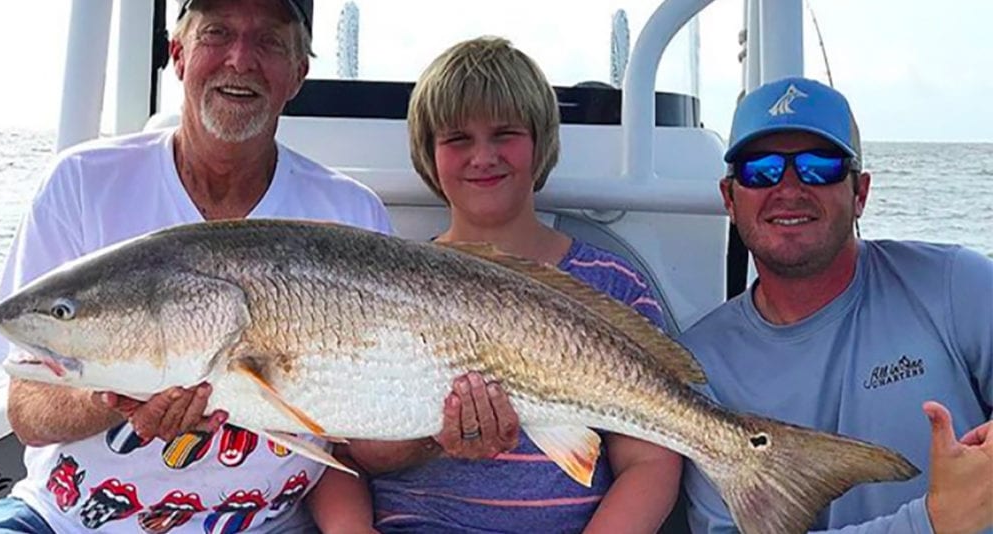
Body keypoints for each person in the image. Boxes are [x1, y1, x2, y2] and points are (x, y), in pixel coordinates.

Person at [0, 0, 389, 532]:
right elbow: (27, 411)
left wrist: (443, 432)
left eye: (269, 41)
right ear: (178, 54)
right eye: (216, 33)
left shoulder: (350, 214)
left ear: (298, 73)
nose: (240, 60)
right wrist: (119, 397)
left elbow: (371, 438)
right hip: (64, 520)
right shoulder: (81, 183)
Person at [345, 36, 683, 533]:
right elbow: (360, 454)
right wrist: (432, 436)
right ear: (428, 154)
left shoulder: (615, 285)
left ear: (541, 142)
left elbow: (649, 462)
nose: (483, 157)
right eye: (457, 139)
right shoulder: (386, 284)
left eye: (504, 134)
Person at [681, 76, 993, 533]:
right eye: (760, 169)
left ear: (860, 193)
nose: (789, 187)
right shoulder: (696, 366)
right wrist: (933, 522)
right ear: (730, 197)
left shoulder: (956, 284)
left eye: (818, 166)